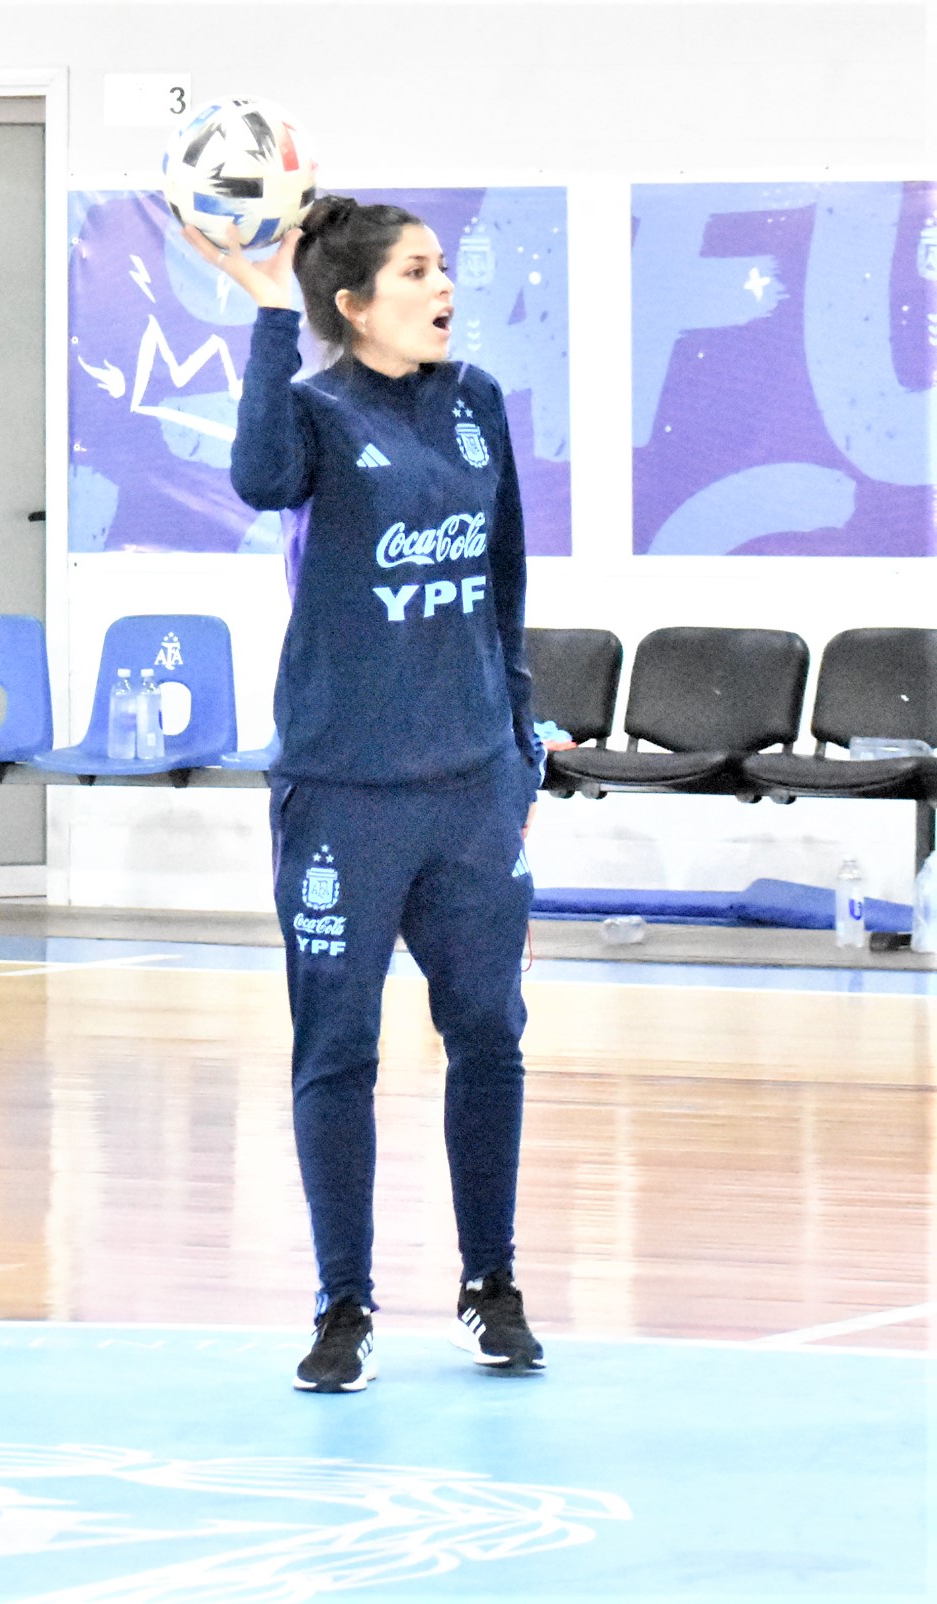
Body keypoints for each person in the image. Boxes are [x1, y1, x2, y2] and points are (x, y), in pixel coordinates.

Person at [189, 195, 546, 1392]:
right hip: (343, 790)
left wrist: (520, 747)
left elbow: (505, 581)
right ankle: (344, 1302)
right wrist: (260, 315)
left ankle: (489, 1281)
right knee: (337, 1049)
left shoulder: (478, 402)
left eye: (443, 265)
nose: (444, 285)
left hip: (472, 788)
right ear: (352, 304)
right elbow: (254, 479)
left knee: (489, 1033)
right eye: (415, 270)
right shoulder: (310, 414)